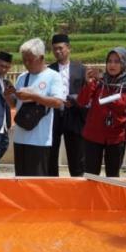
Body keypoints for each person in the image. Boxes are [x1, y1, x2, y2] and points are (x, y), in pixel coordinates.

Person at [5, 38, 65, 176]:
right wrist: (8, 96)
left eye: (30, 60)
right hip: (20, 137)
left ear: (41, 58)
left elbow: (57, 102)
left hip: (40, 140)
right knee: (20, 179)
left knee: (36, 182)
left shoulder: (53, 76)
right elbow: (15, 104)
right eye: (24, 60)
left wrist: (33, 96)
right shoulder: (22, 77)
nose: (26, 63)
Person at [77, 47, 126, 177]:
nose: (112, 65)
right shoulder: (99, 82)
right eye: (109, 61)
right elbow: (82, 101)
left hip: (116, 139)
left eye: (117, 61)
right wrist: (88, 83)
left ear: (124, 63)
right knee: (91, 177)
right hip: (93, 137)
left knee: (113, 178)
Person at [48, 34, 87, 177]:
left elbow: (87, 93)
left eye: (60, 48)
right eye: (54, 49)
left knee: (76, 155)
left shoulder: (81, 69)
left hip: (74, 116)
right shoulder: (49, 70)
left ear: (68, 48)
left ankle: (77, 185)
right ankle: (52, 185)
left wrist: (76, 101)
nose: (57, 52)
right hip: (54, 116)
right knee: (51, 154)